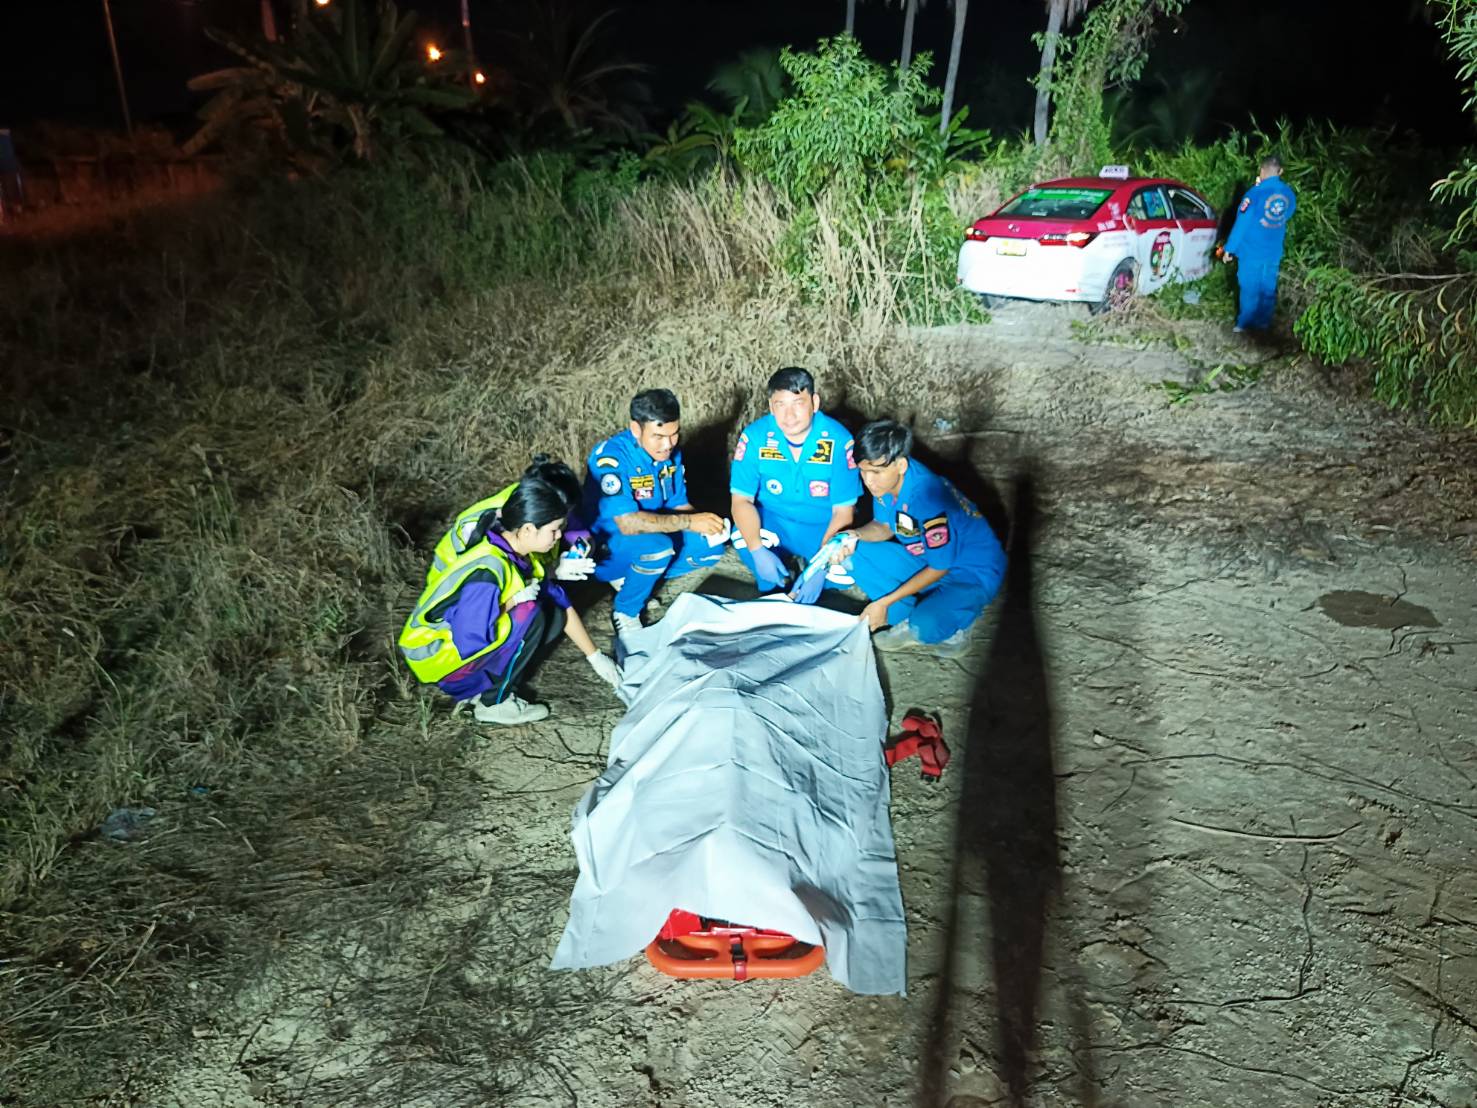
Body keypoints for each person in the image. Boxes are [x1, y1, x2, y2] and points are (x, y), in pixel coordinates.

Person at [398, 467, 621, 726]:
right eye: (554, 530)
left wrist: (595, 657)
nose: (560, 536)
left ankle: (484, 684)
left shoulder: (513, 550)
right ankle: (493, 703)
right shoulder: (489, 570)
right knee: (529, 614)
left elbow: (559, 599)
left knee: (551, 615)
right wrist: (514, 602)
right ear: (528, 529)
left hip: (451, 648)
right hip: (436, 658)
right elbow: (469, 638)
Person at [832, 419, 1006, 657]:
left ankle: (955, 623)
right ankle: (905, 614)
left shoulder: (927, 499)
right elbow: (884, 526)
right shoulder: (888, 480)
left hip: (971, 572)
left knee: (926, 625)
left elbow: (940, 568)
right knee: (850, 550)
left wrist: (884, 601)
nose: (868, 480)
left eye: (875, 472)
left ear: (901, 465)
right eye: (863, 471)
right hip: (928, 558)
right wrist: (854, 534)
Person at [585, 389, 727, 636]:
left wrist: (708, 524)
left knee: (711, 547)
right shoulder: (611, 459)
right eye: (658, 436)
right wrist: (689, 522)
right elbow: (628, 524)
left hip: (653, 532)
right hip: (607, 545)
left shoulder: (671, 454)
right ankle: (625, 612)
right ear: (636, 429)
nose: (668, 444)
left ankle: (636, 580)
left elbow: (679, 504)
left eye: (674, 434)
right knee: (658, 548)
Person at [730, 367, 863, 604]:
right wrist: (757, 551)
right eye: (780, 405)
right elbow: (741, 501)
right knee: (742, 536)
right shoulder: (755, 436)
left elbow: (843, 512)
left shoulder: (839, 440)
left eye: (798, 403)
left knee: (850, 569)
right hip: (776, 522)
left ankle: (810, 579)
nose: (789, 415)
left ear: (814, 402)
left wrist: (820, 566)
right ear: (771, 407)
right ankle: (773, 584)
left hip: (822, 528)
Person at [1222, 154, 1297, 333]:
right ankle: (1263, 322)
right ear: (1280, 171)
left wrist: (1229, 249)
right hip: (1273, 250)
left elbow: (1241, 224)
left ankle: (1245, 323)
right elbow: (1288, 213)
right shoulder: (1288, 193)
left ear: (1261, 171)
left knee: (1249, 287)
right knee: (1268, 287)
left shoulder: (1254, 194)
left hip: (1252, 251)